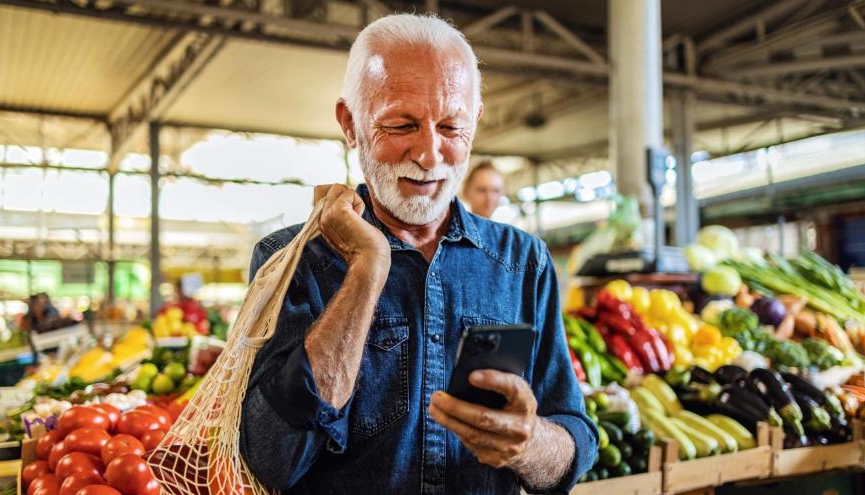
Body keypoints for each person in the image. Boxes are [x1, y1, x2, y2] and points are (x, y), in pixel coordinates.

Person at [240, 14, 597, 495]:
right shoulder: (289, 260)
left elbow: (573, 437)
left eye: (452, 126)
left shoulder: (523, 261)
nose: (430, 154)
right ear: (350, 123)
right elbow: (269, 457)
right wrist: (368, 267)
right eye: (401, 124)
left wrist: (529, 445)